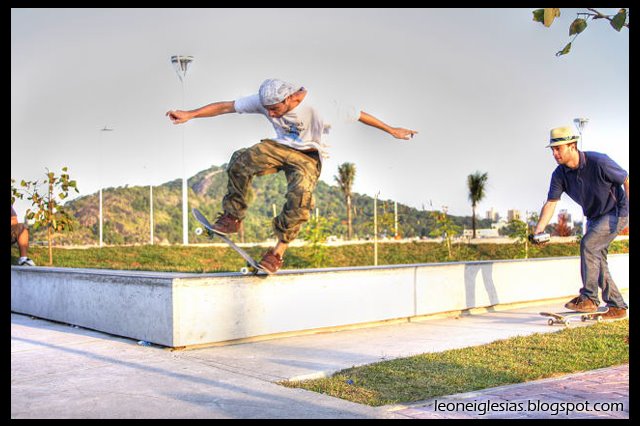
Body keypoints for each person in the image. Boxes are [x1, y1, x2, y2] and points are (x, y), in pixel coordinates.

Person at [166, 78, 417, 273]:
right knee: (242, 161)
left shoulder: (323, 106)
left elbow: (360, 115)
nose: (272, 114)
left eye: (276, 109)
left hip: (308, 156)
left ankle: (277, 253)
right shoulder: (263, 101)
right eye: (268, 111)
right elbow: (225, 107)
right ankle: (232, 217)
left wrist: (391, 129)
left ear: (293, 98)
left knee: (299, 197)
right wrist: (190, 114)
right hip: (280, 147)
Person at [530, 126, 629, 319]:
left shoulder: (598, 161)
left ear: (573, 146)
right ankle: (617, 306)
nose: (555, 153)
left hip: (616, 212)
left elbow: (626, 179)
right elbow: (551, 203)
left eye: (559, 148)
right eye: (552, 150)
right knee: (597, 260)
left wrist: (628, 211)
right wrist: (539, 230)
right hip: (593, 217)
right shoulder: (559, 174)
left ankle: (589, 298)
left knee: (588, 245)